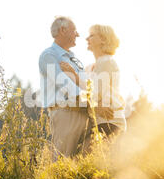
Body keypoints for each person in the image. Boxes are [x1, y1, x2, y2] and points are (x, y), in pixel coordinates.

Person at [38, 17, 113, 160]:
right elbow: (68, 88)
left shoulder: (73, 59)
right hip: (66, 114)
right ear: (63, 30)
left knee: (82, 164)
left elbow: (86, 85)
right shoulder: (49, 56)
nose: (78, 35)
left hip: (84, 115)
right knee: (62, 162)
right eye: (74, 31)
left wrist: (94, 104)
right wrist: (95, 107)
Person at [60, 24, 126, 149]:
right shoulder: (89, 68)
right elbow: (78, 97)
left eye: (91, 35)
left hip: (110, 123)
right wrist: (95, 108)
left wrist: (74, 76)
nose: (86, 39)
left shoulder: (108, 62)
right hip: (96, 124)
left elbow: (95, 94)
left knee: (95, 162)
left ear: (103, 39)